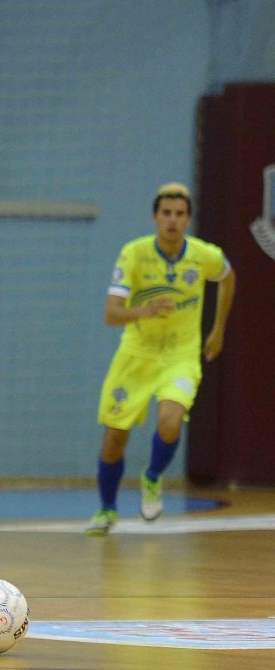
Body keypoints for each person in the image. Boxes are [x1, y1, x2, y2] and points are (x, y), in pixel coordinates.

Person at [86, 182, 235, 535]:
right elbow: (111, 313)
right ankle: (107, 509)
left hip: (180, 355)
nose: (172, 220)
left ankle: (152, 477)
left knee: (170, 420)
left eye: (180, 214)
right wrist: (144, 311)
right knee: (114, 439)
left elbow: (228, 279)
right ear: (155, 217)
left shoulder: (204, 255)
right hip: (136, 355)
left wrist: (218, 330)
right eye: (166, 213)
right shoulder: (134, 254)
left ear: (188, 220)